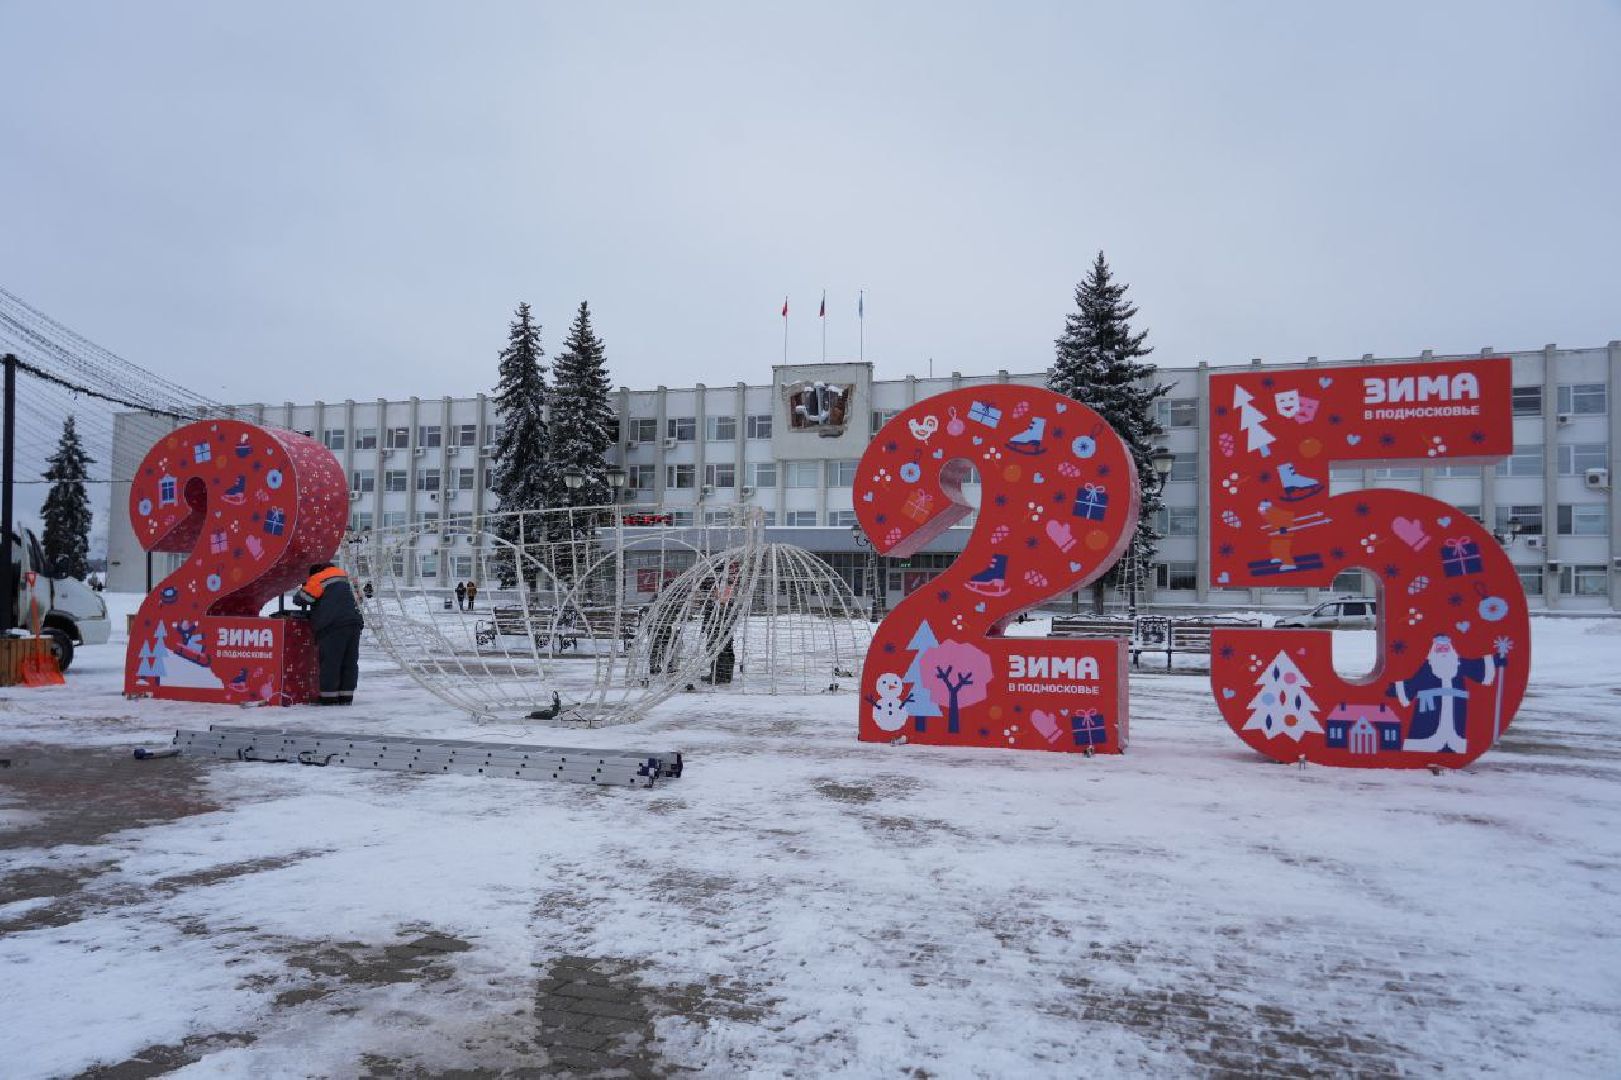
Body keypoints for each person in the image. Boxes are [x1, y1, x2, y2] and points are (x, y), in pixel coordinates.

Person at [294, 562, 364, 705]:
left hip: (333, 625)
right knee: (349, 661)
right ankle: (346, 697)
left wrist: (304, 586)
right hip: (354, 623)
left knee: (331, 661)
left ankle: (328, 698)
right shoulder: (346, 576)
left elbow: (301, 599)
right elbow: (360, 598)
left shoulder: (319, 577)